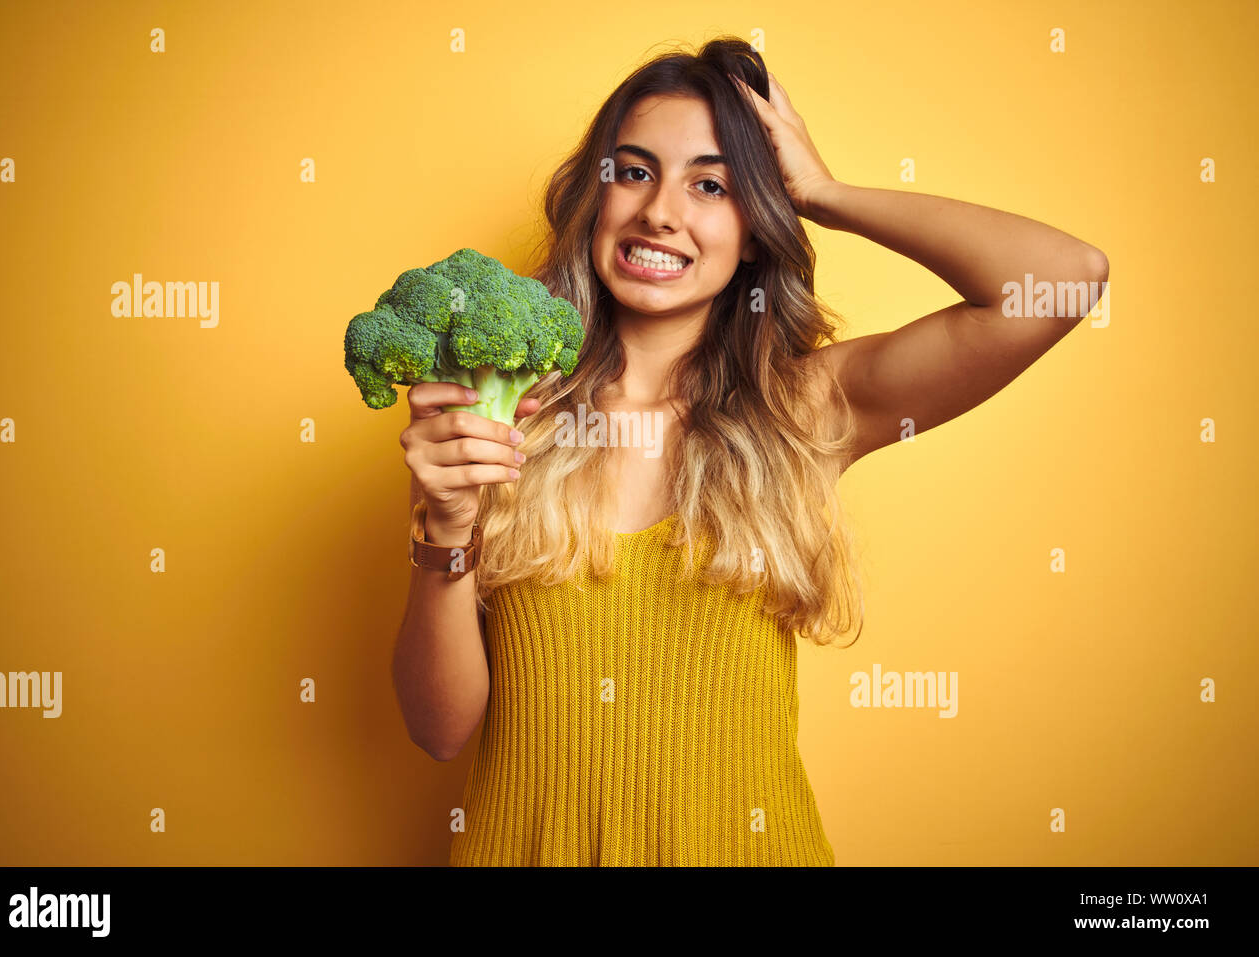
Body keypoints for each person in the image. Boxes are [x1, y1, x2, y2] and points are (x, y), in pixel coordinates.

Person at [392, 37, 1108, 866]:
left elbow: (1066, 275)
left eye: (711, 185)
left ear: (758, 230)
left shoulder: (801, 407)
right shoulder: (500, 407)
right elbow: (439, 731)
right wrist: (442, 531)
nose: (660, 210)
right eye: (632, 172)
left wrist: (827, 194)